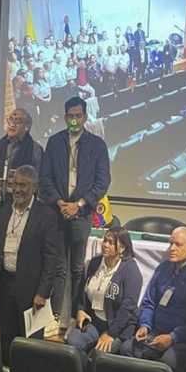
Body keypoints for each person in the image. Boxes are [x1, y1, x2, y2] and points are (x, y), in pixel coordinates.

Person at [40, 96, 110, 321]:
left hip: (82, 213)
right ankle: (55, 317)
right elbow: (45, 178)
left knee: (78, 268)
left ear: (85, 117)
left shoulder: (97, 145)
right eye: (70, 116)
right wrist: (60, 203)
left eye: (78, 116)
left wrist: (79, 204)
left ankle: (75, 316)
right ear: (65, 117)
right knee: (58, 267)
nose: (74, 120)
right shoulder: (54, 142)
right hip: (58, 212)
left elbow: (102, 182)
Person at [0, 165, 61, 364]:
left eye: (23, 185)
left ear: (34, 187)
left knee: (30, 345)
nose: (18, 189)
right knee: (7, 341)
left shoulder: (46, 216)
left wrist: (43, 292)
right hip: (5, 285)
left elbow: (51, 259)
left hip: (32, 290)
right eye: (15, 184)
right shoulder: (3, 212)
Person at [120, 227, 186, 372]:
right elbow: (149, 302)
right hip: (155, 332)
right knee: (126, 349)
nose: (172, 248)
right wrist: (145, 325)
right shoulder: (164, 268)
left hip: (182, 340)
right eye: (171, 244)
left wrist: (172, 337)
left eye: (178, 245)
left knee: (167, 363)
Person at [67, 228, 141, 359]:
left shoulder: (131, 270)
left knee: (99, 356)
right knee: (73, 343)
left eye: (111, 242)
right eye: (105, 240)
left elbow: (128, 307)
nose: (105, 245)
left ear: (122, 248)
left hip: (119, 327)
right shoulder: (95, 262)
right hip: (94, 321)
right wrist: (80, 310)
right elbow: (81, 291)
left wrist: (111, 333)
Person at [0, 109, 44, 207]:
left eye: (17, 121)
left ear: (27, 127)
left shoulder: (35, 149)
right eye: (10, 119)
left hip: (23, 205)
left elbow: (39, 179)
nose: (12, 124)